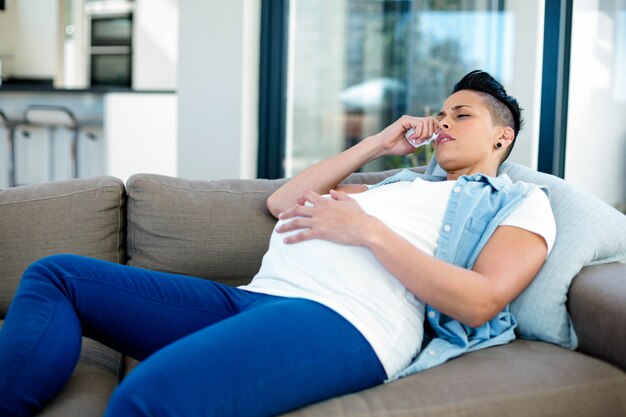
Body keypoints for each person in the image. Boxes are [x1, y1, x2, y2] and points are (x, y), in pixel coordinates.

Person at [0, 70, 555, 417]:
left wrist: (366, 230)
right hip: (253, 300)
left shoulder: (518, 202)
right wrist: (377, 145)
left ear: (502, 136)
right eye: (442, 113)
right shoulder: (402, 183)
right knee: (58, 276)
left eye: (462, 114)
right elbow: (284, 201)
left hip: (343, 319)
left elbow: (482, 300)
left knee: (147, 400)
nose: (444, 122)